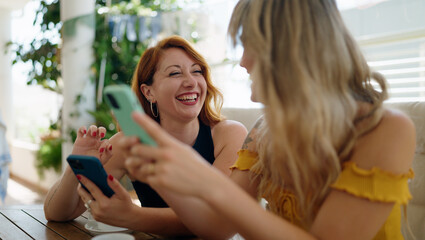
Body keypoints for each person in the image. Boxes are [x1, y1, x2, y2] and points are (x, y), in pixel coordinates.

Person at [121, 0, 416, 239]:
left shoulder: (384, 129)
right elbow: (218, 226)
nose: (244, 61)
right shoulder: (265, 130)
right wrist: (160, 169)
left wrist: (205, 180)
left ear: (292, 50)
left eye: (251, 45)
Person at [43, 36, 248, 236]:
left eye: (197, 71)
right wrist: (75, 166)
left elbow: (216, 218)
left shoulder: (229, 135)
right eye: (175, 73)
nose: (191, 82)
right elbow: (58, 214)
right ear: (149, 92)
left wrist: (133, 215)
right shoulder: (128, 143)